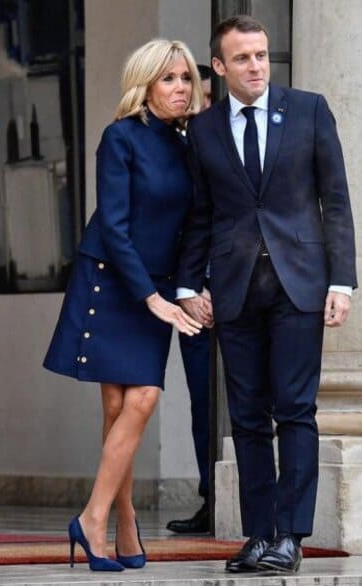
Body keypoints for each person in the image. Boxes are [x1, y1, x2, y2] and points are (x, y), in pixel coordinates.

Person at [177, 15, 357, 574]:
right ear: (219, 66)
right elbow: (200, 213)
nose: (256, 66)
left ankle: (291, 536)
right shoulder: (203, 129)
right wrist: (188, 285)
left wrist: (342, 280)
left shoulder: (308, 110)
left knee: (295, 409)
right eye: (242, 58)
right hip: (234, 288)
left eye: (261, 55)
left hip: (298, 283)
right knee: (247, 416)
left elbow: (336, 199)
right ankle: (258, 535)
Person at [43, 39, 204, 571]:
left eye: (186, 77)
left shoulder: (189, 145)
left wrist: (186, 289)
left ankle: (101, 517)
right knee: (118, 407)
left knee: (141, 399)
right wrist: (151, 298)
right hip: (113, 282)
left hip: (158, 287)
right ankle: (118, 519)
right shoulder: (120, 137)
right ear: (145, 85)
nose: (180, 88)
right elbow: (113, 225)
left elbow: (193, 227)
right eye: (168, 78)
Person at [165, 64, 215, 537]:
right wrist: (190, 287)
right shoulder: (174, 155)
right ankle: (211, 498)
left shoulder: (231, 148)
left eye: (207, 99)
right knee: (203, 401)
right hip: (190, 297)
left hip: (241, 293)